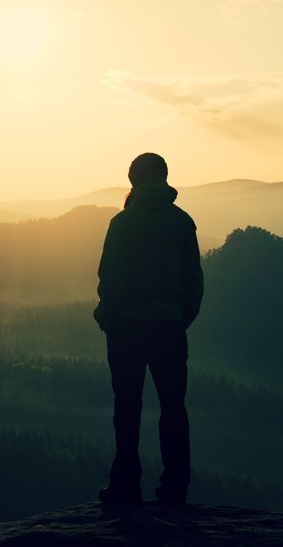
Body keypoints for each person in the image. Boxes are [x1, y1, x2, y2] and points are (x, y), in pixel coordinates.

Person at [94, 153, 204, 506]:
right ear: (164, 177)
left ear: (134, 180)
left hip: (127, 326)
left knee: (127, 407)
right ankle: (175, 488)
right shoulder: (182, 221)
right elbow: (193, 279)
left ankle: (125, 486)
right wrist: (182, 317)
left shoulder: (124, 222)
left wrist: (106, 315)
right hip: (170, 327)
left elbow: (113, 277)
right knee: (173, 408)